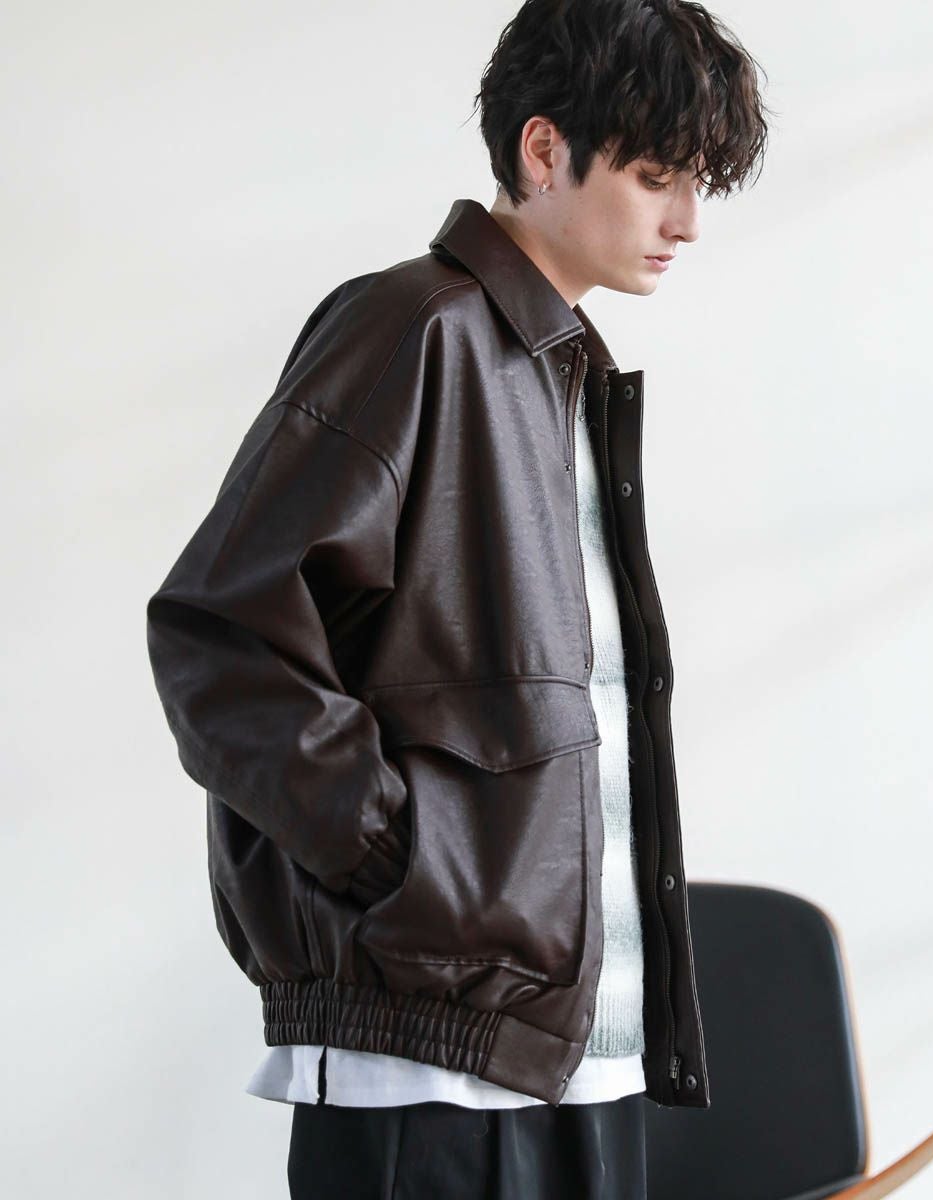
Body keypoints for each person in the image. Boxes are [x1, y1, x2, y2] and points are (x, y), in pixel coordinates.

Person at [145, 1, 770, 1195]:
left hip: (578, 1059)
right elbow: (220, 637)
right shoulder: (412, 330)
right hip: (429, 1081)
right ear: (543, 150)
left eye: (696, 184)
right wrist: (404, 868)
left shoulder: (560, 374)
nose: (687, 221)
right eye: (656, 178)